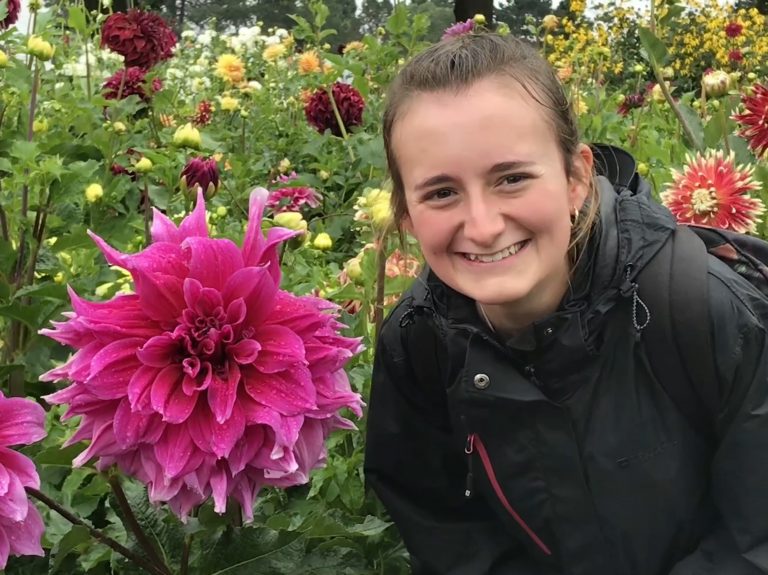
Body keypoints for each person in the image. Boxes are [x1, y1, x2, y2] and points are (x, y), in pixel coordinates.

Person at [363, 32, 768, 575]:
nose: (482, 227)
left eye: (511, 178)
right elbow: (447, 536)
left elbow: (755, 539)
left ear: (576, 177)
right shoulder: (417, 345)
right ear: (407, 217)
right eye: (441, 193)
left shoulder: (702, 309)